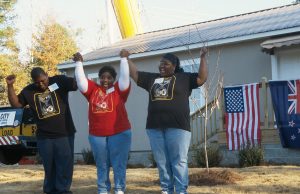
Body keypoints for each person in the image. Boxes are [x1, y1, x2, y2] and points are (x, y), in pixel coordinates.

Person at [127, 48, 208, 194]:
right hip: (154, 128)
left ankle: (181, 190)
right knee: (162, 162)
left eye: (166, 64)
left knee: (178, 161)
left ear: (174, 66)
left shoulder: (184, 78)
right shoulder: (152, 79)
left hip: (178, 128)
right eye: (160, 64)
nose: (162, 66)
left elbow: (202, 78)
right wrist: (127, 59)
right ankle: (166, 190)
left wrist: (202, 58)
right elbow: (135, 74)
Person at [6, 68, 77, 194]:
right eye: (37, 82)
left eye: (43, 80)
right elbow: (16, 105)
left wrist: (79, 65)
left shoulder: (59, 81)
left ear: (47, 75)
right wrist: (10, 86)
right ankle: (49, 191)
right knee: (49, 168)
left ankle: (63, 191)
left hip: (64, 134)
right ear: (33, 81)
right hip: (44, 138)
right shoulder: (29, 91)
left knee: (64, 167)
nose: (41, 84)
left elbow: (77, 84)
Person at [73, 50, 132, 194]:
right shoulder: (93, 90)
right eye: (103, 77)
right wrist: (79, 63)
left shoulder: (120, 89)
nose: (106, 80)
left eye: (109, 77)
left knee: (119, 164)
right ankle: (103, 190)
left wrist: (124, 59)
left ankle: (119, 189)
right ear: (99, 78)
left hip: (120, 133)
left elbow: (125, 78)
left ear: (114, 78)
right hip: (97, 135)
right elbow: (81, 81)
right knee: (102, 165)